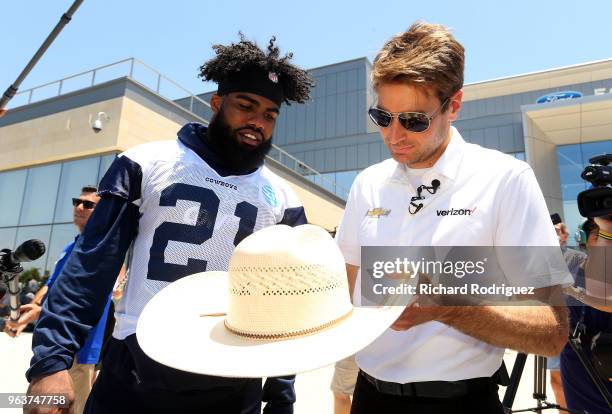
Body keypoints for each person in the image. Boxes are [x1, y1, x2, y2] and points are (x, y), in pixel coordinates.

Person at [25, 35, 313, 414]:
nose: (257, 122)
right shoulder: (146, 163)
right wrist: (51, 363)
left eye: (269, 115)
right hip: (139, 368)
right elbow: (91, 269)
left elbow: (285, 304)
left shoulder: (284, 200)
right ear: (216, 103)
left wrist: (280, 397)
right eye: (246, 106)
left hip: (233, 374)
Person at [335, 21, 569, 414]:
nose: (394, 136)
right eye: (382, 117)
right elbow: (346, 296)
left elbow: (552, 332)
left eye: (413, 120)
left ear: (454, 106)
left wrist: (448, 307)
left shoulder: (505, 179)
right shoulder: (368, 184)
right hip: (369, 397)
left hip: (462, 402)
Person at [5, 186, 113, 414]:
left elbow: (96, 295)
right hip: (52, 347)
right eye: (77, 201)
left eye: (88, 204)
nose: (79, 207)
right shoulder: (69, 248)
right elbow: (49, 287)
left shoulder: (104, 248)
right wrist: (30, 311)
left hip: (80, 348)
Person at [561, 215, 612, 414]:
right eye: (598, 234)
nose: (604, 240)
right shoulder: (576, 264)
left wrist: (575, 293)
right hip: (577, 360)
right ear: (583, 238)